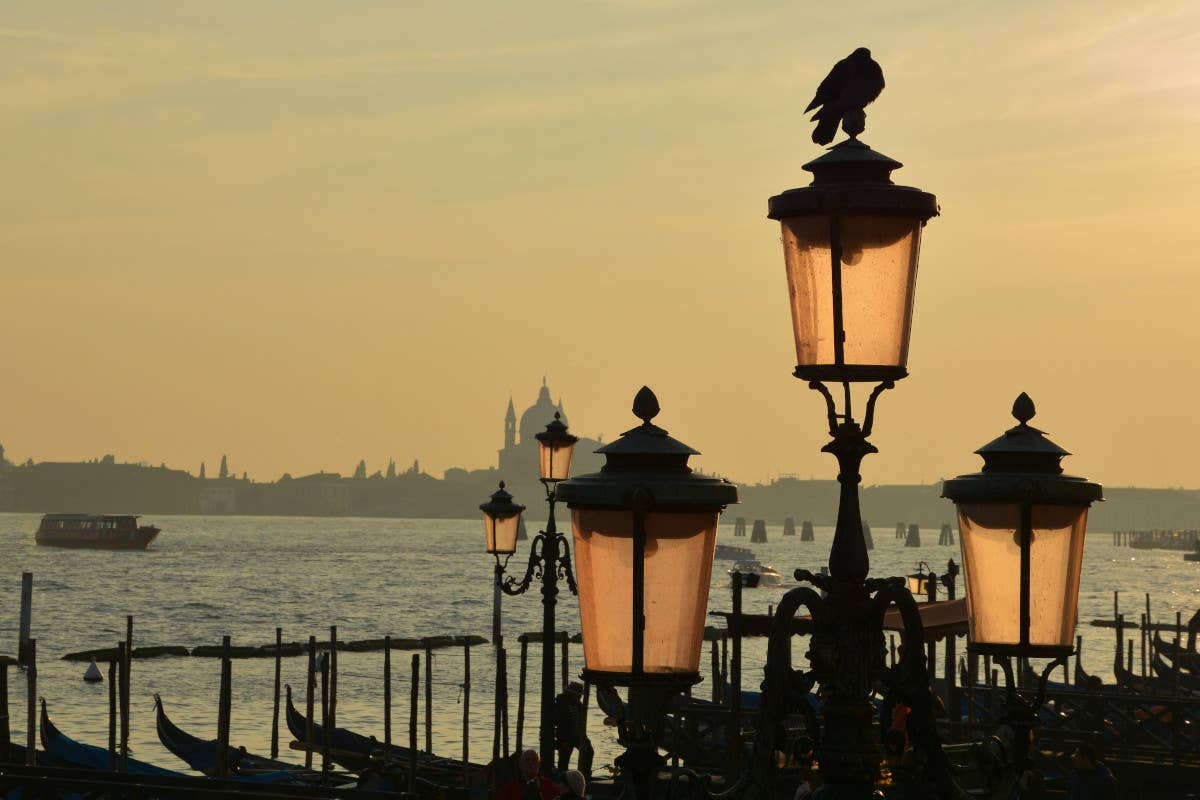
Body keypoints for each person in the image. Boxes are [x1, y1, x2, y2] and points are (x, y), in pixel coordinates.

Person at [554, 682, 593, 773]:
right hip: (565, 737)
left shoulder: (579, 706)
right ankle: (562, 776)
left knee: (588, 751)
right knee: (564, 759)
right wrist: (563, 740)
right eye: (577, 695)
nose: (579, 697)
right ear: (571, 694)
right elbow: (559, 723)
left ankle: (585, 773)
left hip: (578, 736)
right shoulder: (561, 704)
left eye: (580, 695)